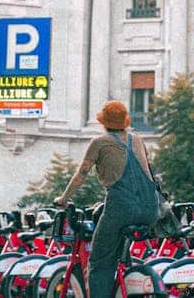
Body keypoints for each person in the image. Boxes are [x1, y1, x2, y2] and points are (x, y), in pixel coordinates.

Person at [54, 101, 159, 298]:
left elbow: (80, 175)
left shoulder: (99, 142)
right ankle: (125, 275)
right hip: (150, 208)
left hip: (121, 207)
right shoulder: (137, 139)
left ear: (104, 122)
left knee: (99, 261)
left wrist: (63, 198)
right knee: (119, 252)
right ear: (125, 122)